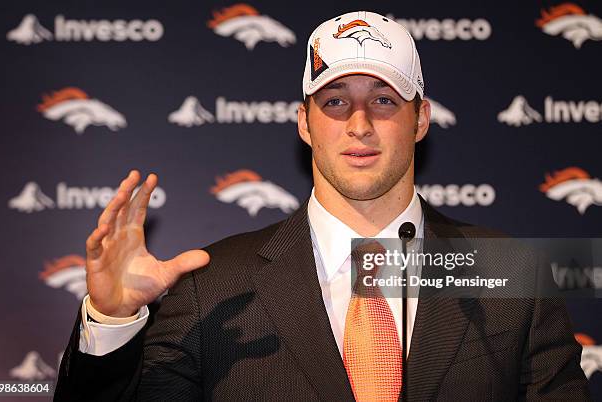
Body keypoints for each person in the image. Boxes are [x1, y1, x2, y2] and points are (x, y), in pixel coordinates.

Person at [54, 11, 591, 401]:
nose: (359, 125)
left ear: (421, 120)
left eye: (383, 100)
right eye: (335, 102)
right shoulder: (211, 287)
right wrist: (113, 321)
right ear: (305, 123)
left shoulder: (506, 272)